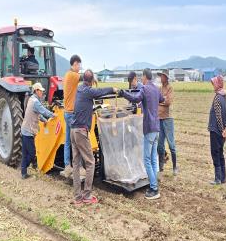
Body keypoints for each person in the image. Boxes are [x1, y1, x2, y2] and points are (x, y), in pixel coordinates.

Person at [70, 70, 117, 204]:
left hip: (73, 130)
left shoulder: (80, 89)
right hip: (80, 131)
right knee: (91, 163)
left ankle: (78, 197)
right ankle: (87, 196)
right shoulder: (88, 91)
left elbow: (90, 97)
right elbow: (100, 92)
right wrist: (113, 89)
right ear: (91, 81)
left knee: (76, 164)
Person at [119, 68, 164, 200]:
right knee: (153, 158)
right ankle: (155, 182)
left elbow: (135, 98)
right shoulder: (156, 89)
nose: (141, 79)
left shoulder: (144, 89)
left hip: (149, 128)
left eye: (142, 77)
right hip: (157, 128)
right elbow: (162, 99)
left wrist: (123, 93)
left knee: (147, 160)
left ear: (145, 77)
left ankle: (154, 189)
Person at [20, 82, 55, 179]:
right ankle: (24, 167)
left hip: (25, 129)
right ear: (36, 91)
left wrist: (44, 120)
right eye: (41, 91)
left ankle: (23, 173)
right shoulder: (35, 102)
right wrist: (53, 115)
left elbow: (38, 114)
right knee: (32, 153)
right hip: (28, 131)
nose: (42, 93)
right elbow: (43, 110)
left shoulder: (32, 100)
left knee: (25, 153)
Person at [61, 55, 86, 179]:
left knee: (67, 141)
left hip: (67, 112)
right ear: (75, 64)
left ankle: (67, 166)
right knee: (77, 140)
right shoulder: (73, 75)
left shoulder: (66, 75)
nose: (80, 68)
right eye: (79, 65)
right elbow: (85, 77)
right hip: (71, 113)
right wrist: (92, 77)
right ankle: (80, 167)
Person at [207, 75, 226, 185]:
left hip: (216, 130)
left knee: (215, 153)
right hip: (222, 131)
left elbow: (218, 115)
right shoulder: (224, 96)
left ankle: (217, 179)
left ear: (217, 84)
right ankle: (223, 177)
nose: (213, 85)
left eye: (214, 83)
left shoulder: (217, 98)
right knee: (220, 153)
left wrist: (221, 129)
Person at [157, 70, 178, 175]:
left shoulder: (170, 88)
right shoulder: (159, 88)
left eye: (162, 76)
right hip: (159, 118)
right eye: (160, 76)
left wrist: (160, 101)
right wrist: (162, 100)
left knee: (171, 144)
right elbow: (158, 100)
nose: (161, 78)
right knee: (160, 145)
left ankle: (175, 167)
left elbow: (168, 102)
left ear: (166, 78)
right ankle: (161, 166)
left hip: (168, 119)